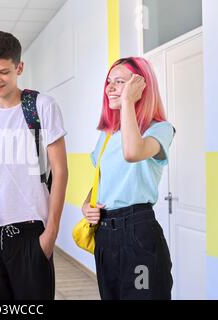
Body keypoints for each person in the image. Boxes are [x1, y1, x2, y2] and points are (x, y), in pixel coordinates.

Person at [0, 31, 68, 300]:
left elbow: (61, 171)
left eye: (3, 72)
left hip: (31, 230)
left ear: (19, 68)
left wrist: (51, 233)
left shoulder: (42, 106)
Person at [82, 57, 175, 300]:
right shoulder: (107, 135)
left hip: (138, 234)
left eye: (119, 81)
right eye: (108, 82)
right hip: (104, 234)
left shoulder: (160, 129)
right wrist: (87, 203)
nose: (110, 88)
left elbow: (133, 153)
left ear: (140, 86)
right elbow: (100, 178)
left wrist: (127, 103)